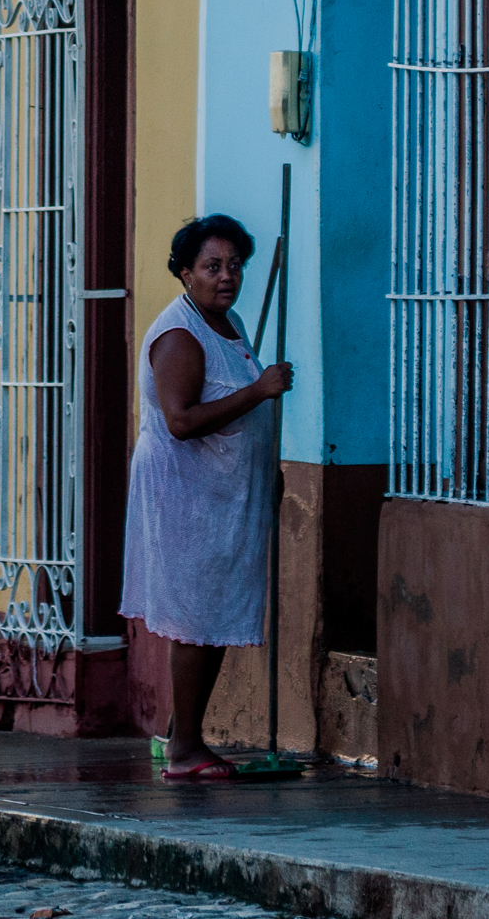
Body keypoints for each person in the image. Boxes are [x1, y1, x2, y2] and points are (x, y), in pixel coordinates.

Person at [120, 213, 294, 781]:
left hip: (227, 495)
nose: (227, 276)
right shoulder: (179, 336)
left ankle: (180, 732)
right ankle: (184, 752)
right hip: (188, 498)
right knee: (196, 619)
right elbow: (181, 420)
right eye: (212, 266)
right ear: (185, 273)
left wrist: (270, 471)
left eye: (235, 266)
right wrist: (259, 389)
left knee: (212, 616)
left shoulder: (229, 321)